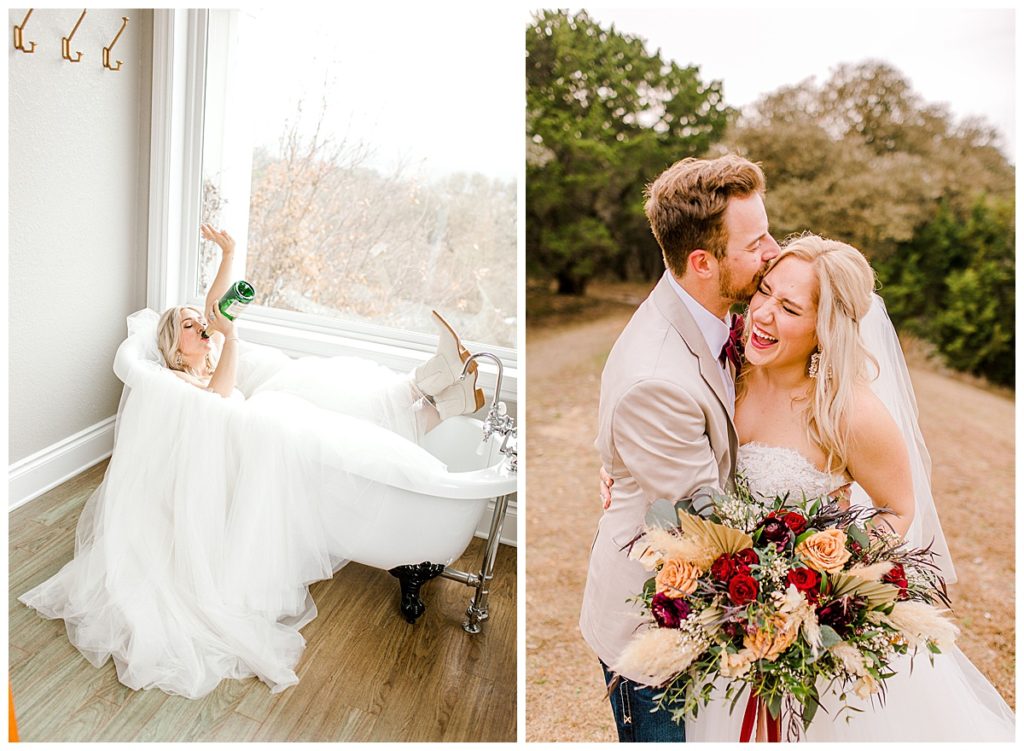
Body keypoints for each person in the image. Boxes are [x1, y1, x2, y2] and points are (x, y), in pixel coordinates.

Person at [18, 224, 489, 699]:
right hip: (256, 446)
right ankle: (443, 396)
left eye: (198, 322)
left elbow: (218, 306)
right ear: (171, 347)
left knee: (333, 382)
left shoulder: (207, 350)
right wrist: (230, 338)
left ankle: (442, 394)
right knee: (341, 431)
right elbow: (223, 395)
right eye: (187, 326)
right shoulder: (180, 384)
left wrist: (228, 253)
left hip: (268, 427)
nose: (201, 327)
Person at [602, 234, 1015, 741]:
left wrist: (821, 582)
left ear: (824, 329)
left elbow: (898, 507)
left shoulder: (848, 414)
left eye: (790, 307)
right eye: (765, 291)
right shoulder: (726, 369)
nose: (762, 314)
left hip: (803, 642)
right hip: (726, 629)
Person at [579, 154, 780, 742]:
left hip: (704, 610)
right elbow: (708, 527)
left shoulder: (719, 320)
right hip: (655, 629)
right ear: (703, 262)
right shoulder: (658, 377)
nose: (772, 251)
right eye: (757, 242)